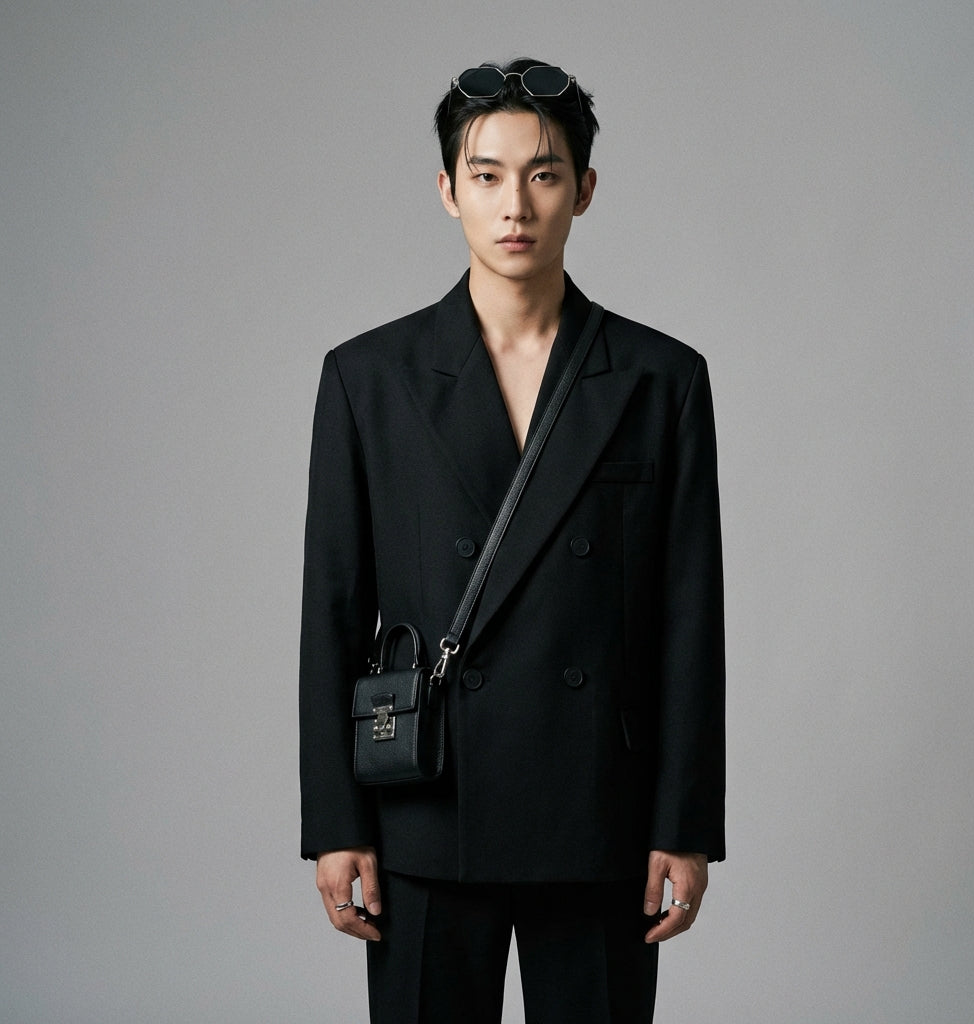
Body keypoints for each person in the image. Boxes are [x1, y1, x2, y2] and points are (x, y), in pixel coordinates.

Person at [300, 57, 725, 1023]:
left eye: (543, 174)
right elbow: (333, 610)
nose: (515, 205)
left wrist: (685, 822)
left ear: (585, 188)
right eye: (486, 175)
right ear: (448, 189)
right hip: (428, 807)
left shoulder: (661, 380)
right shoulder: (369, 378)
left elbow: (689, 617)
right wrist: (335, 822)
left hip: (602, 814)